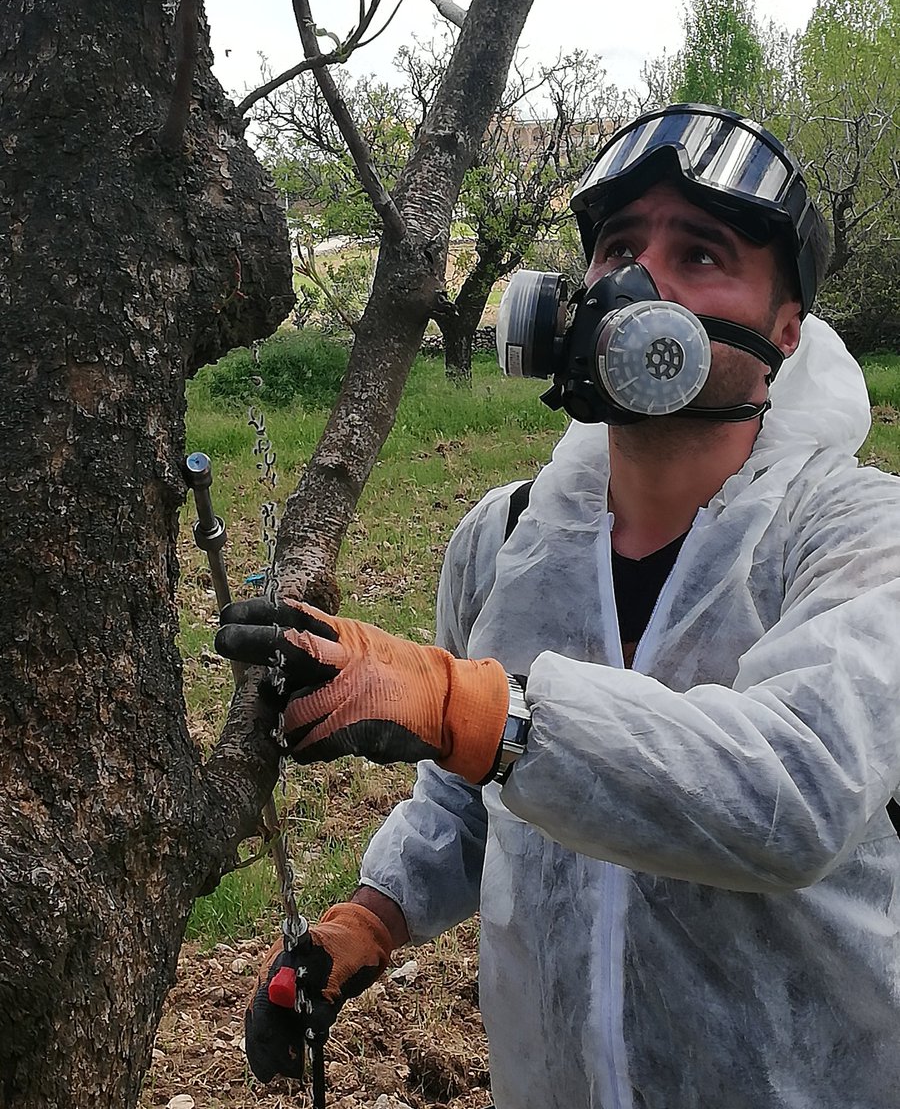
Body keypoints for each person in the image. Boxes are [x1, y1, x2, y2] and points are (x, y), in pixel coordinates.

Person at [217, 104, 900, 1108]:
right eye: (619, 246)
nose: (640, 285)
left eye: (701, 253)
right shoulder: (503, 542)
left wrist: (474, 713)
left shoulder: (853, 533)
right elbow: (469, 801)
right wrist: (370, 918)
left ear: (786, 333)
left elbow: (792, 791)